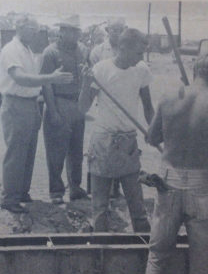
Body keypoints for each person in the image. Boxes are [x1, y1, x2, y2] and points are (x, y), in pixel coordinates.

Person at [79, 28, 153, 232]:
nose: (141, 58)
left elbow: (148, 108)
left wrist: (153, 131)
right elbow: (82, 108)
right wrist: (85, 84)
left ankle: (143, 253)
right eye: (138, 53)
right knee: (100, 208)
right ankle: (98, 253)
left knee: (137, 207)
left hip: (129, 143)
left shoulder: (142, 70)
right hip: (103, 142)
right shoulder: (101, 70)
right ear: (123, 47)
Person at [0, 16, 74, 214]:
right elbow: (20, 78)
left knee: (29, 151)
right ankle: (9, 197)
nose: (36, 33)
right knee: (16, 152)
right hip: (16, 103)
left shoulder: (27, 50)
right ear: (21, 27)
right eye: (33, 29)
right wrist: (50, 78)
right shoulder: (11, 50)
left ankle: (22, 192)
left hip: (31, 104)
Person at [145, 54, 208, 274]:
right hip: (202, 186)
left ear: (194, 72)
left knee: (157, 257)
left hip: (168, 182)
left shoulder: (169, 97)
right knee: (202, 262)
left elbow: (152, 138)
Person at [40, 15, 88, 205]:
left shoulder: (83, 50)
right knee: (56, 151)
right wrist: (52, 112)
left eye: (76, 31)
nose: (74, 34)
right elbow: (46, 85)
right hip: (58, 102)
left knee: (76, 150)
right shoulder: (50, 52)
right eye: (70, 30)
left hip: (77, 104)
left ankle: (75, 188)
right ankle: (56, 191)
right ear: (61, 31)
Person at [88, 17, 127, 198]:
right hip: (103, 103)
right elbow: (93, 80)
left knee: (121, 144)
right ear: (108, 31)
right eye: (114, 30)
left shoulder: (127, 50)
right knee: (102, 145)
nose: (117, 33)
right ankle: (99, 188)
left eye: (120, 29)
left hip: (122, 104)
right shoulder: (97, 51)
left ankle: (116, 187)